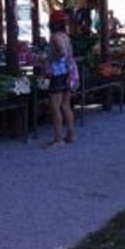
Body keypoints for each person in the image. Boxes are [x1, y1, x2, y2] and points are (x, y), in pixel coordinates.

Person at [44, 10, 77, 148]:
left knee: (55, 107)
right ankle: (71, 136)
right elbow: (69, 53)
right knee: (66, 105)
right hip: (68, 73)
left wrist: (50, 59)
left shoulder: (54, 36)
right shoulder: (66, 36)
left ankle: (58, 139)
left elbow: (61, 52)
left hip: (58, 74)